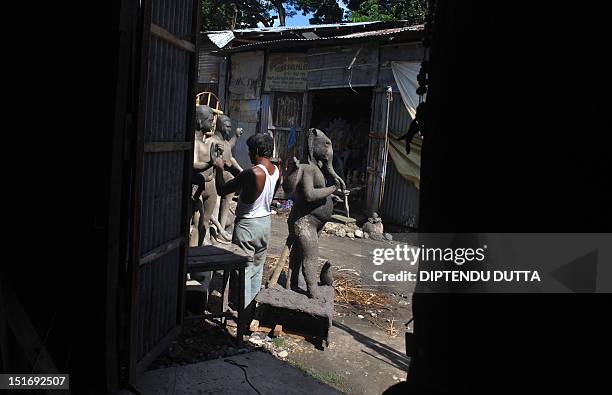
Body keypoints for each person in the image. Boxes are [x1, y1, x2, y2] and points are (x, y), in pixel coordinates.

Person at [213, 133, 279, 325]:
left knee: (243, 272)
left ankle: (241, 320)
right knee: (257, 270)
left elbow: (222, 190)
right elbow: (250, 185)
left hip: (248, 226)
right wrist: (232, 169)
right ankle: (250, 315)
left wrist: (219, 170)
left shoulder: (252, 173)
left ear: (258, 151)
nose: (249, 154)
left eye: (251, 151)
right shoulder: (275, 171)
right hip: (265, 224)